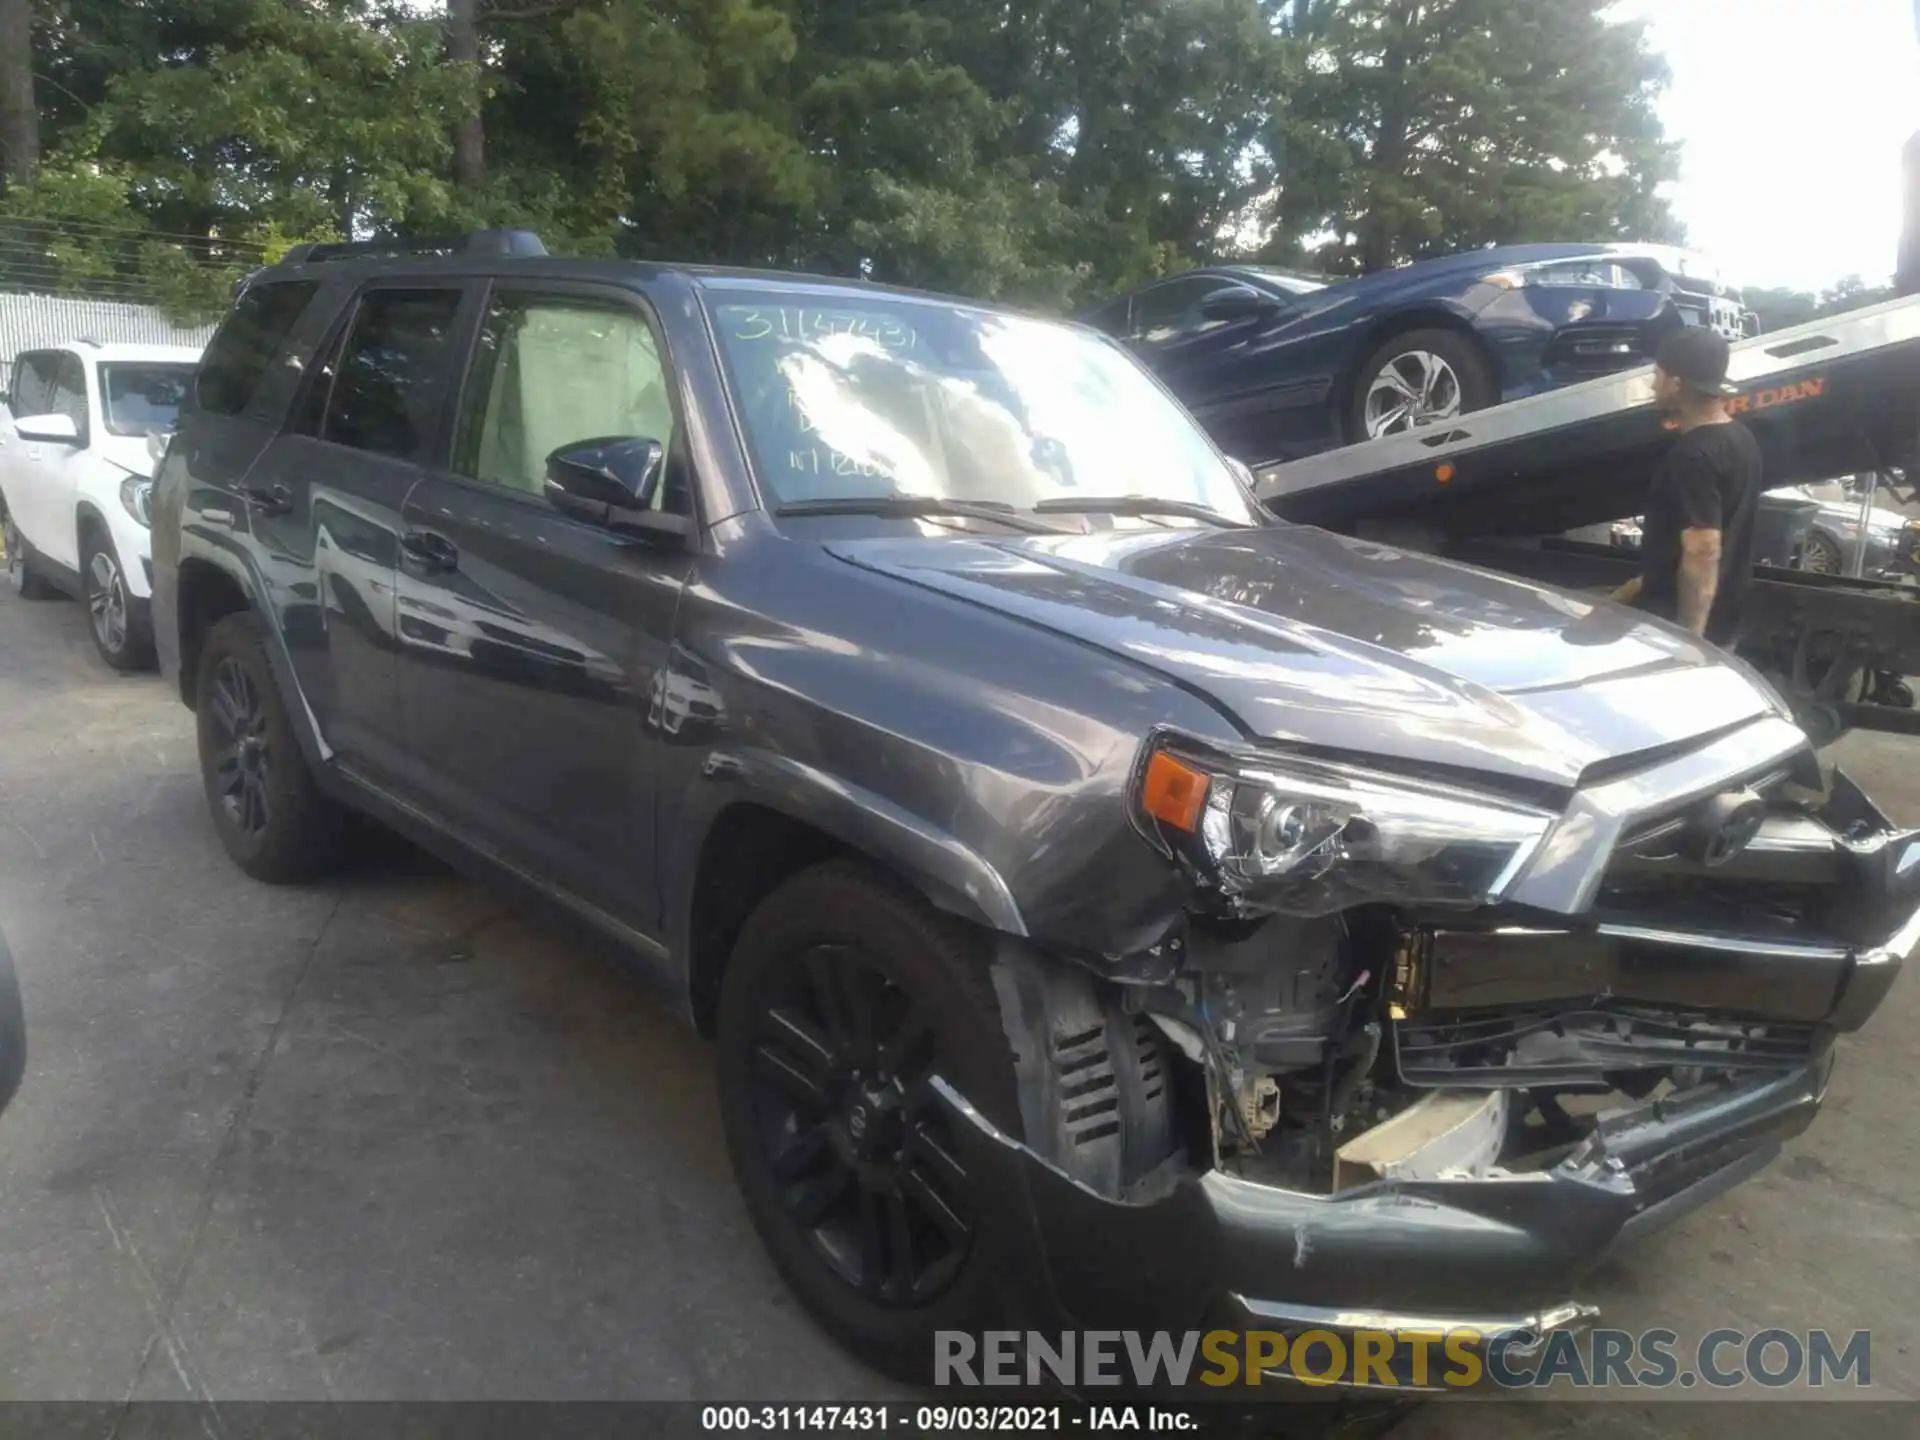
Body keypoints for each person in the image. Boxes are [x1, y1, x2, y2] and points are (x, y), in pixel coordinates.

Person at [1611, 328, 1762, 645]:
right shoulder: (1741, 439)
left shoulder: (1692, 456)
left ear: (1676, 384)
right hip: (1727, 620)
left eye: (1657, 376)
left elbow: (1702, 551)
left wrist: (1690, 641)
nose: (1653, 385)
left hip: (1676, 629)